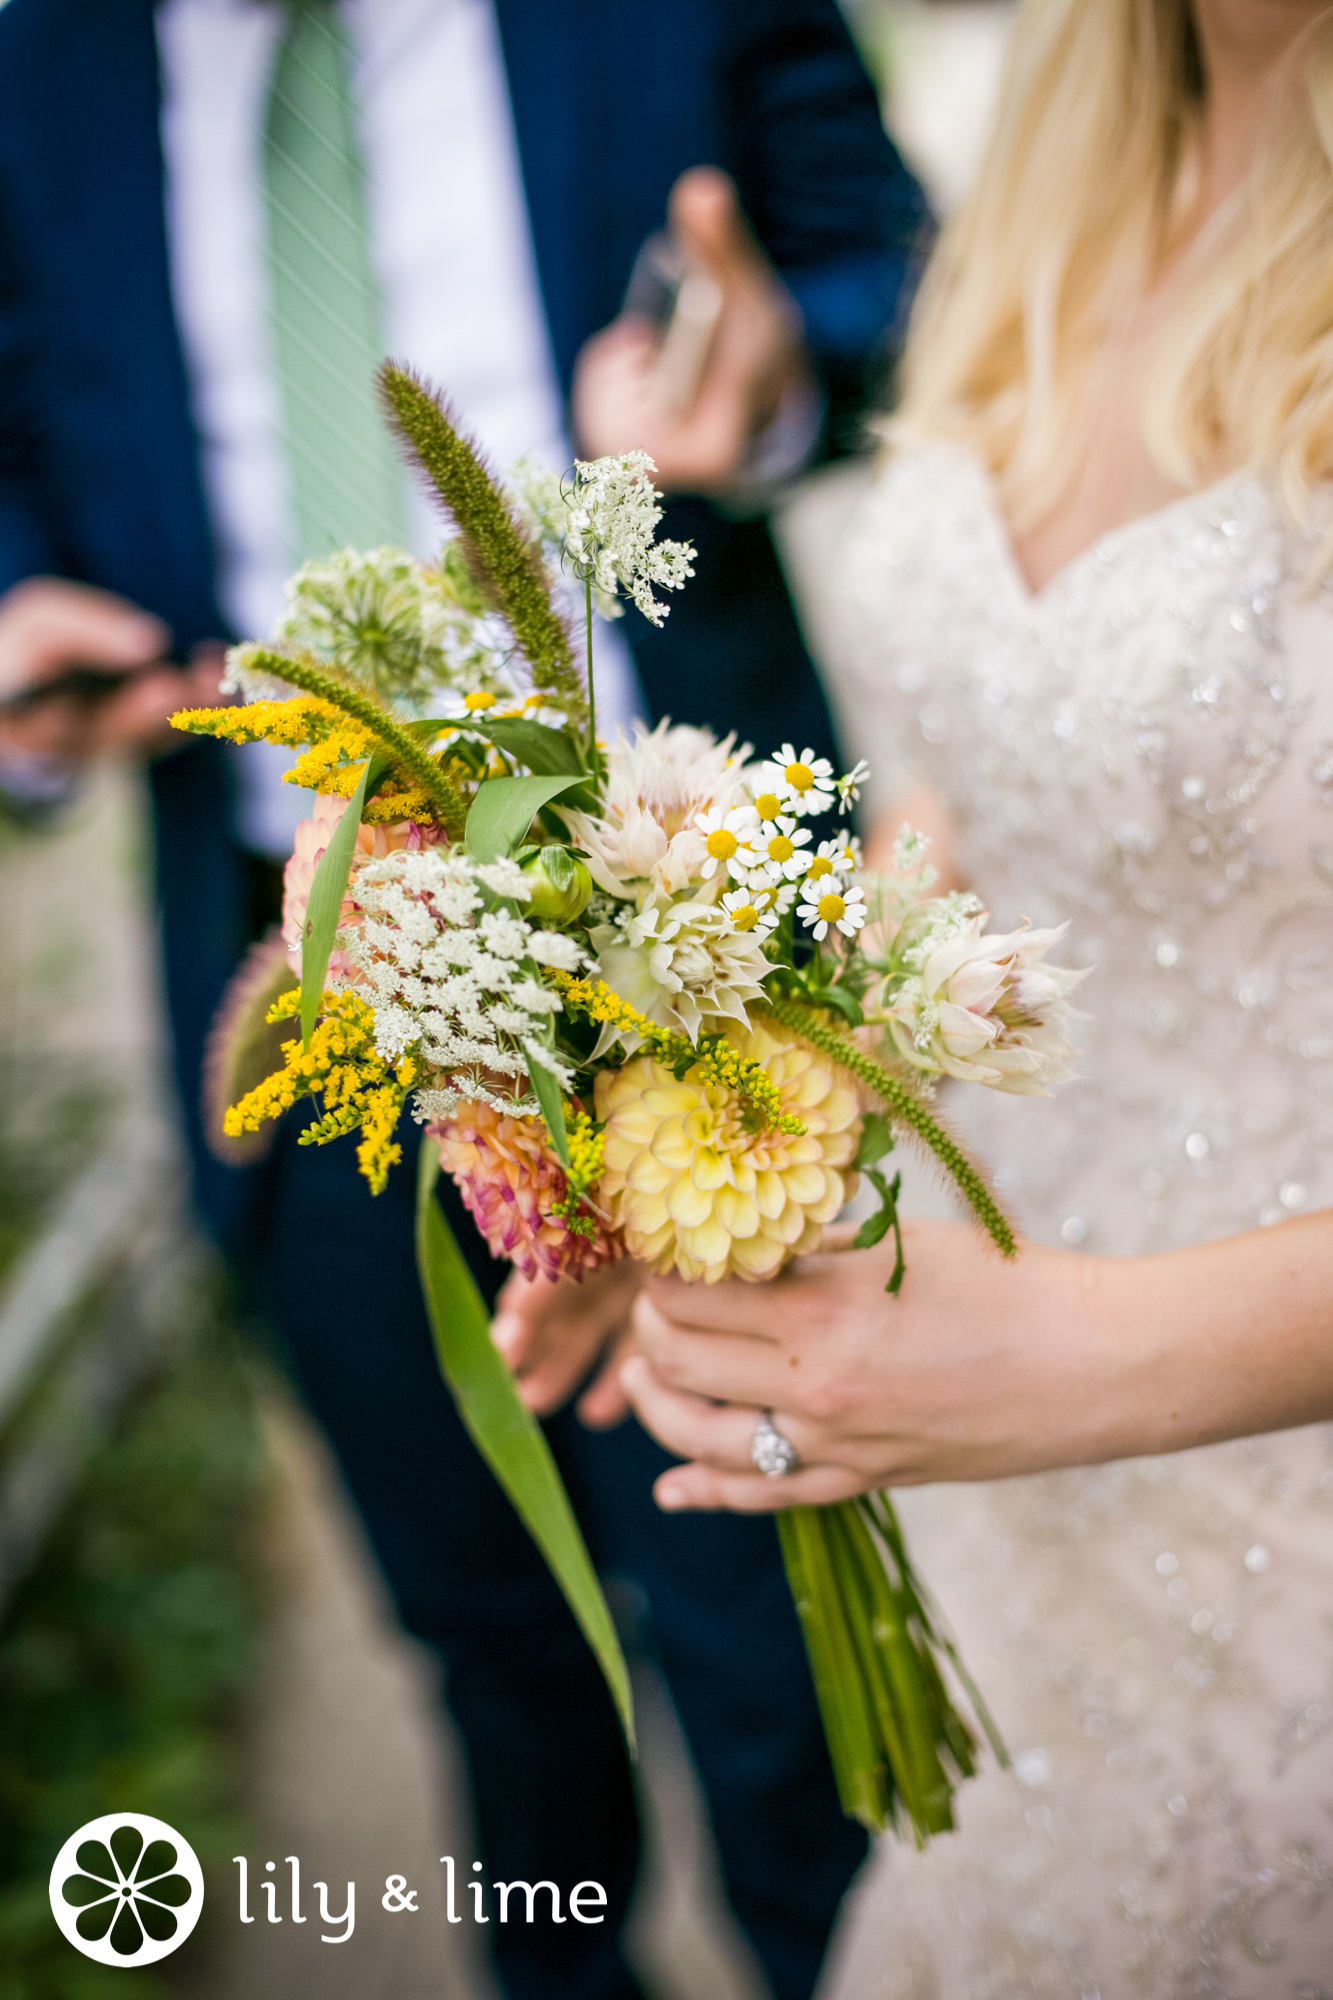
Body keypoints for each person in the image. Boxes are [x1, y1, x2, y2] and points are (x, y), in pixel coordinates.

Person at [0, 5, 929, 1996]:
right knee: (489, 1633)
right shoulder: (31, 56)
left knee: (777, 1619)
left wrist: (769, 384)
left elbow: (879, 251)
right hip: (298, 983)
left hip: (678, 920)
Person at [607, 0, 1333, 1986]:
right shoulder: (1047, 151)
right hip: (997, 1519)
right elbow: (992, 780)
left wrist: (1077, 1360)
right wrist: (723, 1132)